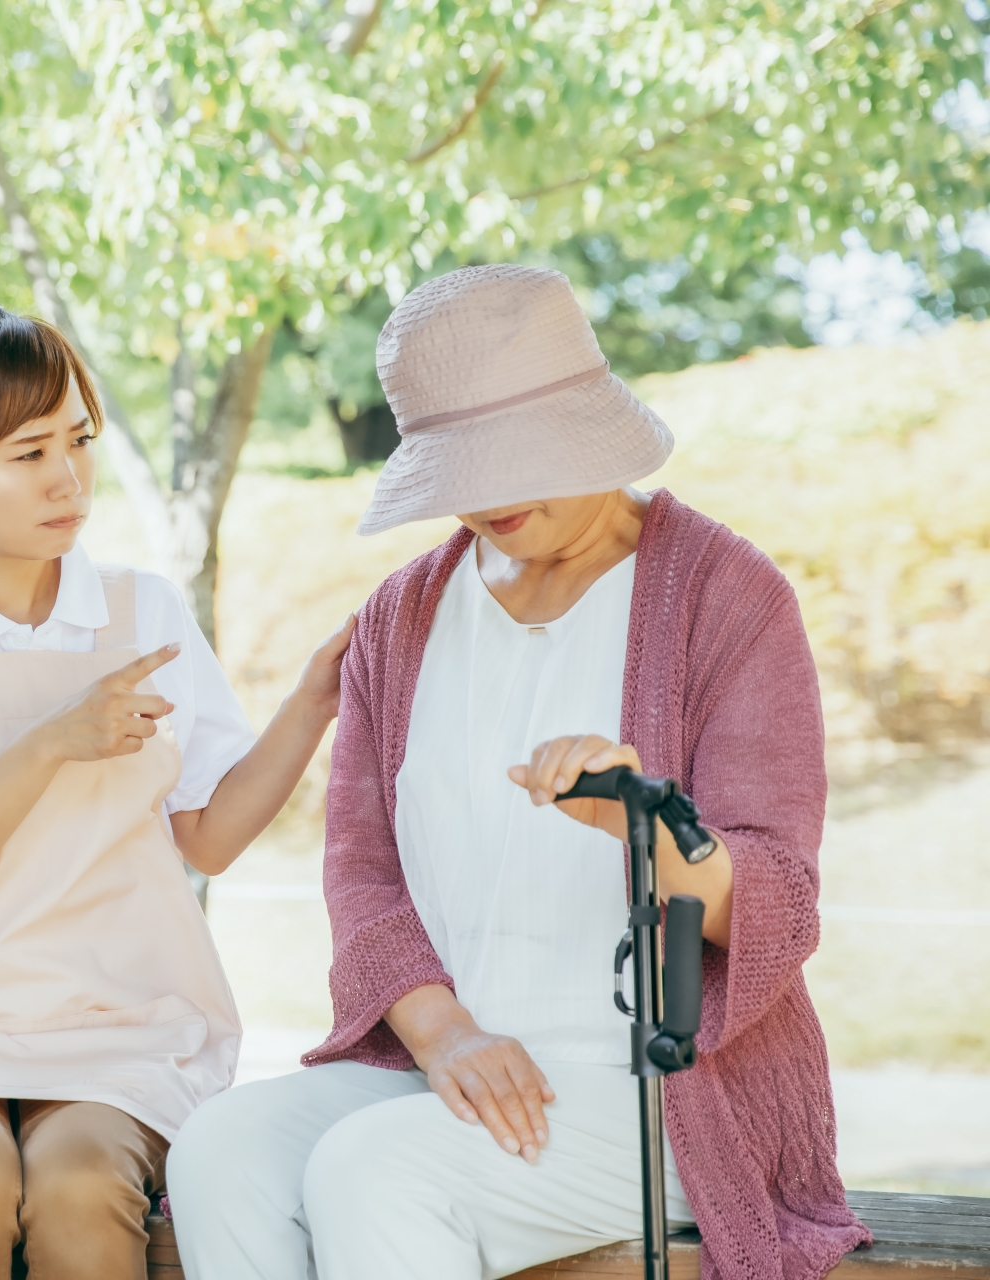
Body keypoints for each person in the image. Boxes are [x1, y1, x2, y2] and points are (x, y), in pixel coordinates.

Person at [166, 265, 870, 1280]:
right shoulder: (400, 618)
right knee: (221, 1149)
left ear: (586, 425)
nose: (488, 495)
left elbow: (783, 905)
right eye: (461, 465)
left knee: (377, 1171)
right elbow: (361, 877)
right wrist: (445, 1033)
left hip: (659, 1094)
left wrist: (643, 819)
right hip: (445, 1069)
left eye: (516, 458)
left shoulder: (726, 595)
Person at [0, 302, 354, 1280]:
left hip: (119, 1024)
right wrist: (54, 740)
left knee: (80, 1186)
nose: (67, 478)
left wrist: (312, 701)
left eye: (78, 441)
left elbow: (210, 836)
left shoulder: (143, 608)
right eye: (26, 453)